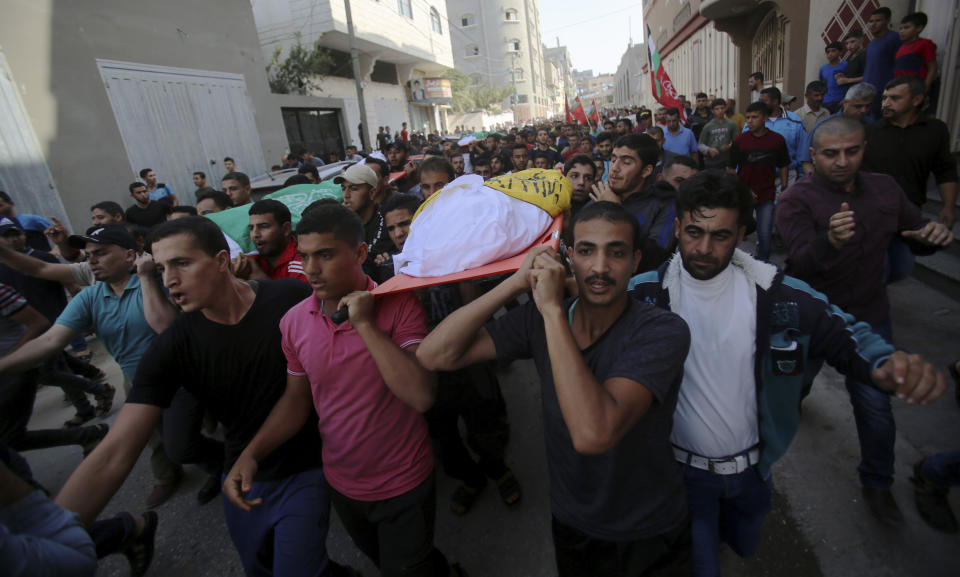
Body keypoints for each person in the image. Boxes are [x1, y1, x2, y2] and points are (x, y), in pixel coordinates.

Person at [628, 169, 947, 577]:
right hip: (678, 478)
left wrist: (886, 364)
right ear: (677, 227)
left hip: (753, 475)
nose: (704, 247)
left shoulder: (780, 296)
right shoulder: (642, 296)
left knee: (744, 541)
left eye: (720, 235)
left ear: (742, 233)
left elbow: (847, 334)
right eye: (693, 232)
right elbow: (585, 322)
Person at [52, 217, 354, 577]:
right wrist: (50, 533)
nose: (169, 279)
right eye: (161, 268)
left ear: (222, 261)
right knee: (260, 567)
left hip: (309, 465)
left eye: (182, 263)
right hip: (244, 476)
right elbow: (116, 452)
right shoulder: (172, 346)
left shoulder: (289, 298)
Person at [418, 201, 693, 576]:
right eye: (585, 251)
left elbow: (593, 434)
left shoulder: (661, 331)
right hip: (572, 519)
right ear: (567, 256)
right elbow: (435, 355)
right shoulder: (539, 316)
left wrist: (551, 312)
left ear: (635, 260)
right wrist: (517, 281)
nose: (598, 267)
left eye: (616, 253)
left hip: (647, 528)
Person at [227, 205, 463, 577]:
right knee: (388, 562)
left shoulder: (399, 303)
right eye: (303, 256)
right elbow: (296, 398)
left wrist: (366, 326)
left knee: (405, 567)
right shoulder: (293, 322)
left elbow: (421, 395)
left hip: (405, 479)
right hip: (342, 482)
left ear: (359, 253)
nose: (310, 269)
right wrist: (252, 453)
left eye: (325, 254)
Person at [776, 116, 954, 526]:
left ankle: (878, 483)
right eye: (831, 153)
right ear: (814, 155)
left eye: (851, 151)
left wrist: (930, 236)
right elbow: (799, 261)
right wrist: (830, 241)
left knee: (875, 405)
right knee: (793, 380)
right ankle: (796, 399)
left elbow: (914, 231)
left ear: (864, 149)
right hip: (812, 319)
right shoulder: (795, 200)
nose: (842, 161)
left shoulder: (886, 189)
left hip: (868, 319)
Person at [863, 75, 958, 284]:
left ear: (916, 100)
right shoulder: (871, 132)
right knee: (879, 272)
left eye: (895, 98)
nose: (886, 103)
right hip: (873, 217)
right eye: (885, 98)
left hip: (910, 215)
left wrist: (949, 206)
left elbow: (945, 170)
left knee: (900, 268)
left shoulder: (935, 131)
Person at [0, 283, 109, 456]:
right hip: (25, 358)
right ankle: (92, 407)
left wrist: (9, 359)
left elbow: (38, 323)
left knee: (10, 437)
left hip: (23, 361)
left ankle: (93, 409)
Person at [589, 134, 679, 272]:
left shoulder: (665, 203)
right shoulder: (600, 195)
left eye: (626, 162)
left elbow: (655, 258)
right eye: (613, 160)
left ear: (646, 171)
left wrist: (617, 212)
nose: (615, 168)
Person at [729, 102, 790, 262]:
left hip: (767, 194)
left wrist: (783, 186)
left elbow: (784, 164)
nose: (749, 121)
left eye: (754, 117)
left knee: (765, 233)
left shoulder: (777, 140)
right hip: (744, 195)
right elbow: (730, 168)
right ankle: (734, 261)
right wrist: (742, 189)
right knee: (737, 229)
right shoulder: (740, 141)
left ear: (765, 118)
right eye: (747, 117)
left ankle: (763, 265)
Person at [799, 82, 876, 176]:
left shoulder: (872, 126)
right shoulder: (824, 125)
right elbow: (806, 162)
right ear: (845, 103)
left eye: (867, 106)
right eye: (858, 106)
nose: (863, 110)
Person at [335, 163, 394, 282]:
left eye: (353, 188)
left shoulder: (389, 222)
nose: (346, 195)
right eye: (343, 188)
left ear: (372, 193)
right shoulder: (339, 226)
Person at [232, 200, 307, 282]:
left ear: (286, 229)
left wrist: (260, 278)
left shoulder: (303, 261)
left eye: (264, 227)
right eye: (251, 228)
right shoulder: (251, 261)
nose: (255, 234)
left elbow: (298, 295)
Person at [755, 87, 807, 188]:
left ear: (775, 101)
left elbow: (803, 152)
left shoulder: (795, 121)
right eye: (759, 101)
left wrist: (802, 177)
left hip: (789, 177)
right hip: (760, 176)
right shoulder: (753, 121)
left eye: (764, 101)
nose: (760, 105)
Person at [863, 7, 902, 119]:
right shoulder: (871, 44)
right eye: (871, 21)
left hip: (883, 91)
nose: (873, 24)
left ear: (887, 20)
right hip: (868, 91)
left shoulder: (894, 39)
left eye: (878, 20)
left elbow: (899, 64)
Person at [894, 12, 937, 94]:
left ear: (919, 28)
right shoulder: (902, 47)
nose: (902, 31)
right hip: (900, 87)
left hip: (915, 88)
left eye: (906, 28)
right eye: (901, 28)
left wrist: (925, 87)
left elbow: (932, 67)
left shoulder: (925, 44)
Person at [697, 99, 738, 170]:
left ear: (725, 109)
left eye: (722, 108)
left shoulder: (732, 124)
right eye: (717, 109)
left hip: (727, 162)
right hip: (711, 162)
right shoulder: (708, 126)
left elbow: (736, 142)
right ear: (712, 111)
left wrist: (729, 146)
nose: (720, 111)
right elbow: (700, 144)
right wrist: (708, 150)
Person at [563, 154, 597, 221]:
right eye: (574, 176)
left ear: (594, 182)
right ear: (564, 178)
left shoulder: (598, 209)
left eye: (588, 178)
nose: (581, 182)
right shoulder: (553, 205)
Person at [819, 42, 849, 113]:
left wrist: (846, 98)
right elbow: (822, 85)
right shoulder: (823, 69)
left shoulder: (845, 65)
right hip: (826, 102)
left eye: (833, 51)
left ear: (840, 52)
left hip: (840, 101)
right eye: (828, 52)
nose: (830, 54)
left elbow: (850, 83)